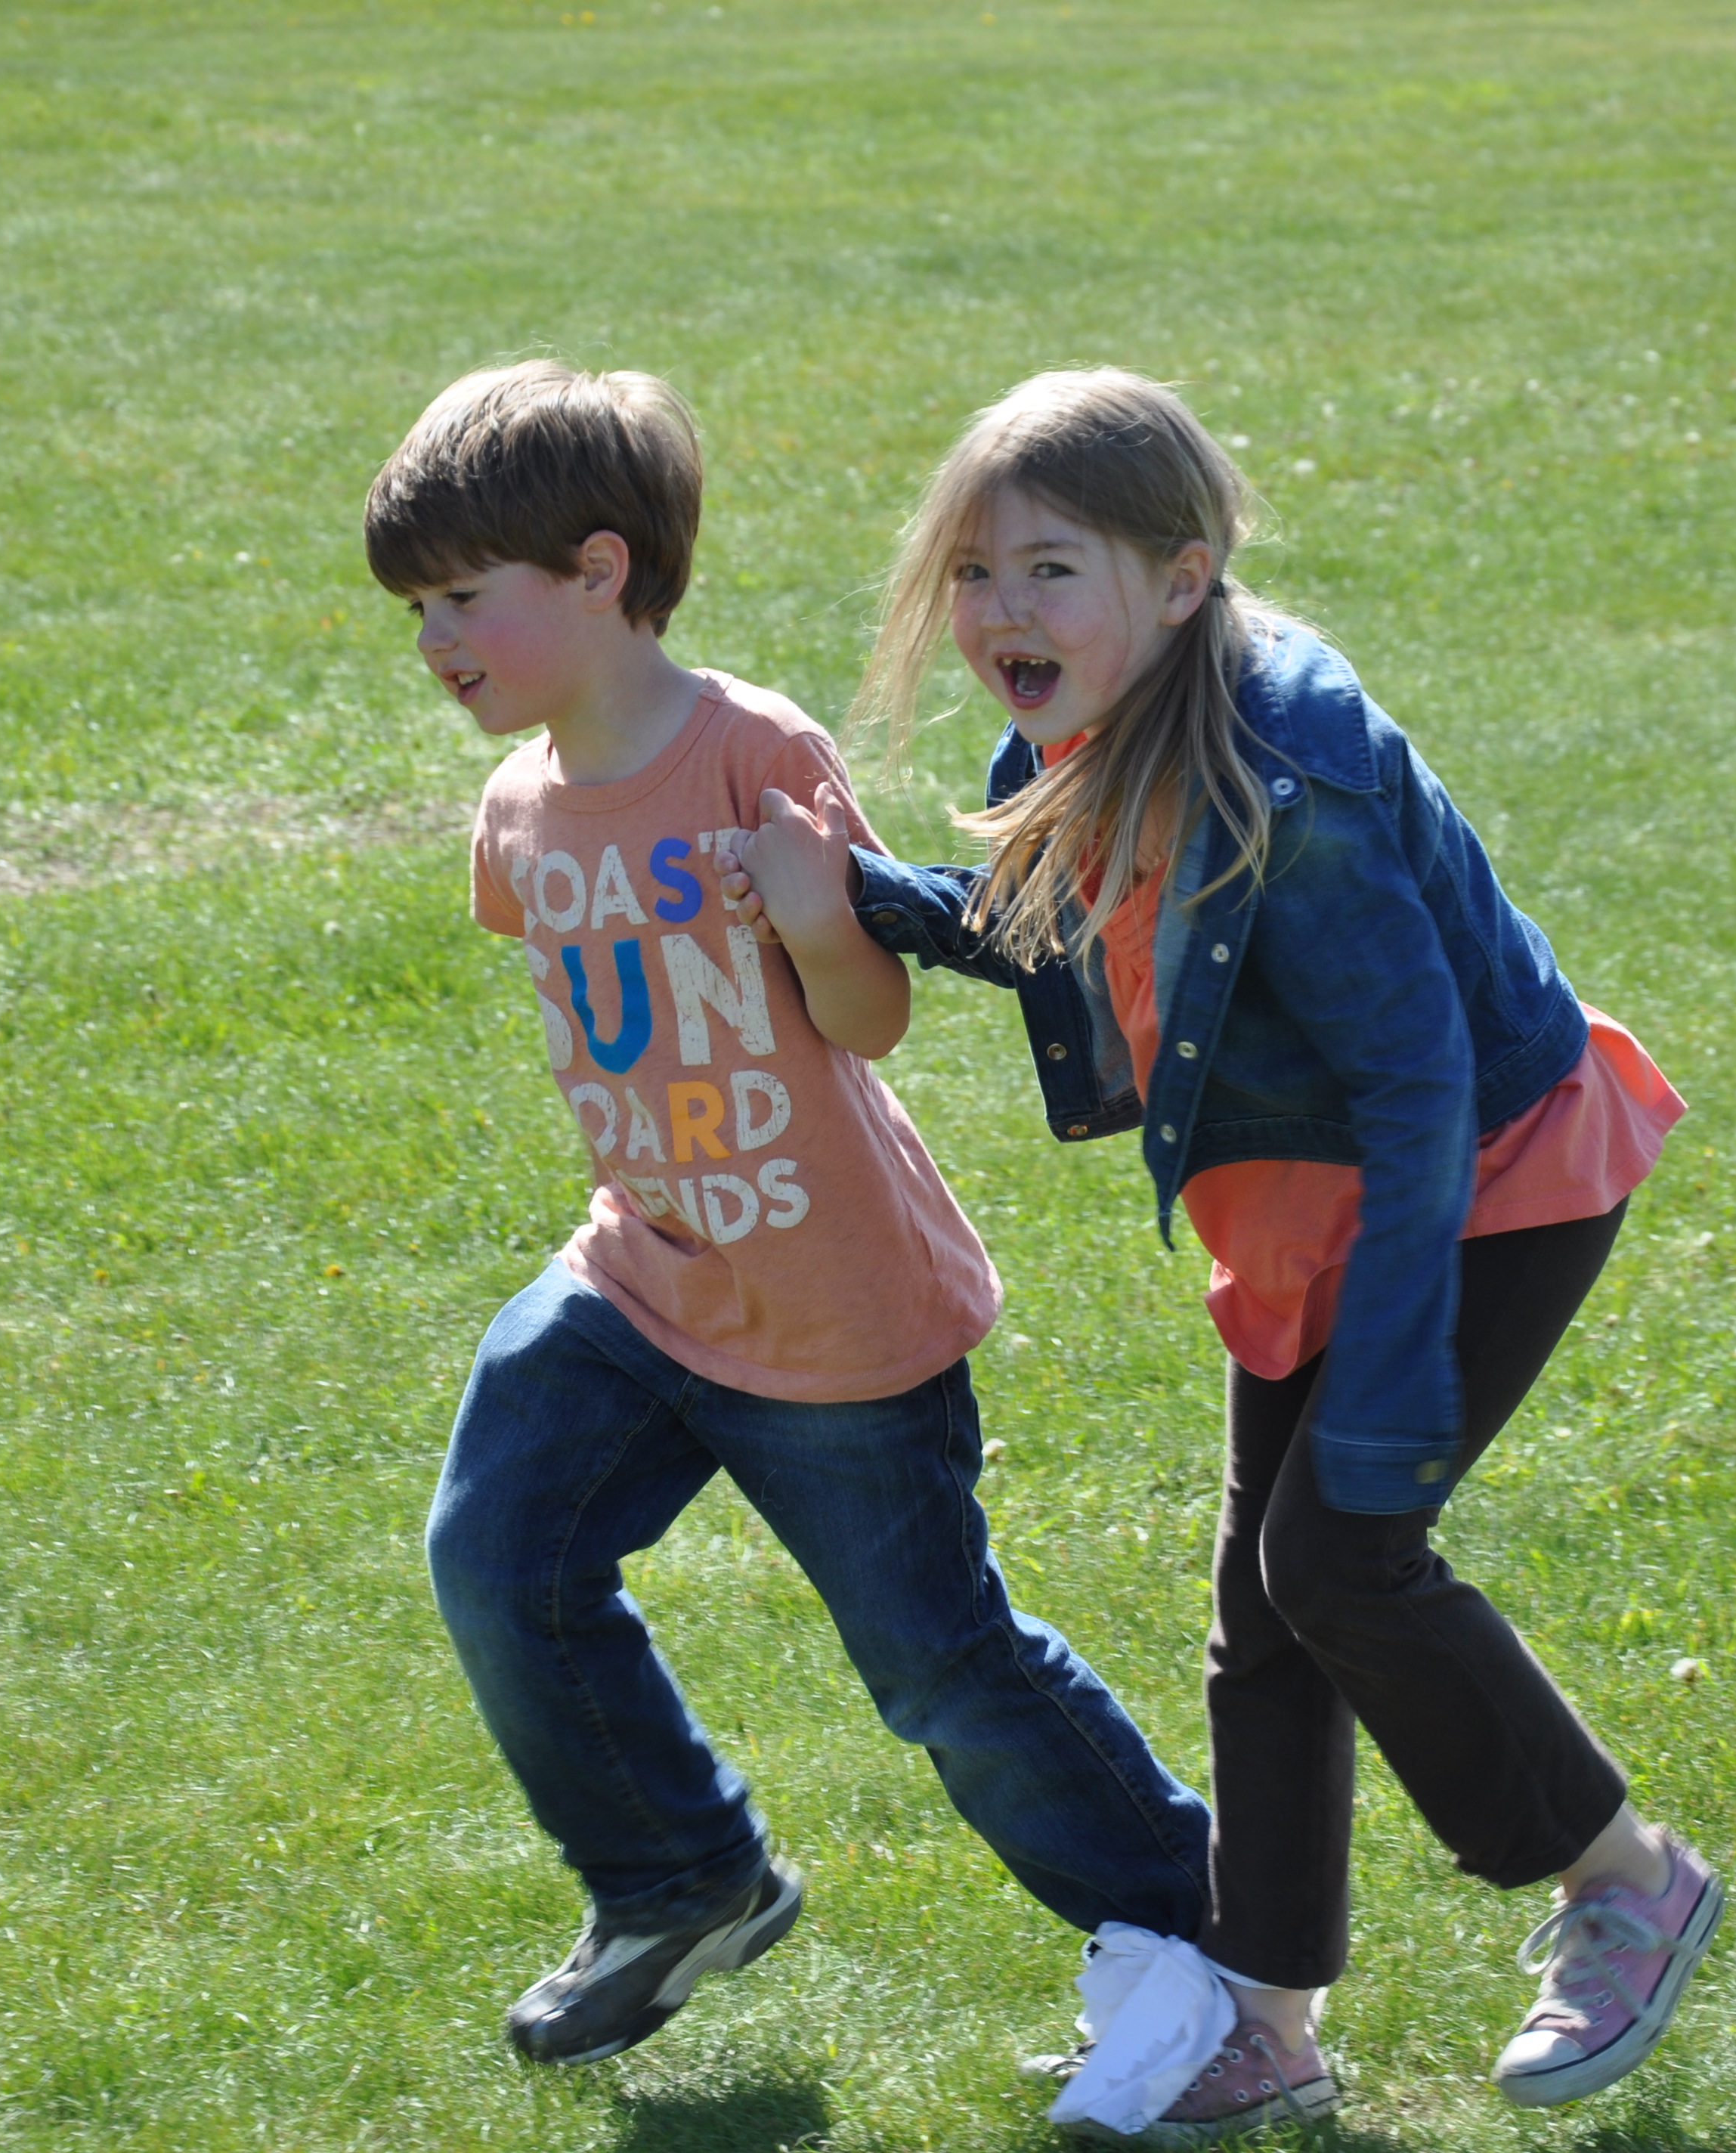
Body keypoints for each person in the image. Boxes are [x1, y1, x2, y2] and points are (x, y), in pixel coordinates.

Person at [729, 368, 1719, 2140]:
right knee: (1260, 1618)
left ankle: (1623, 1874)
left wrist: (1390, 1374)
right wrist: (863, 894)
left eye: (1049, 569)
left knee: (1337, 1556)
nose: (998, 611)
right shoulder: (1072, 739)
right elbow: (1058, 927)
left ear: (1180, 580)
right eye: (973, 572)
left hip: (1481, 1178)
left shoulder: (1286, 775)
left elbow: (1417, 1082)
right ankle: (1268, 2022)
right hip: (1314, 1199)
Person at [367, 361, 1211, 2073]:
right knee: (498, 1554)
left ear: (600, 572)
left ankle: (1199, 1929)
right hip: (639, 1270)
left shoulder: (751, 752)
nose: (435, 639)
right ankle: (681, 1878)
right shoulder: (518, 806)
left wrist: (819, 916)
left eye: (462, 596)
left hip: (833, 1308)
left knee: (938, 1668)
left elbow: (867, 1021)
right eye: (417, 610)